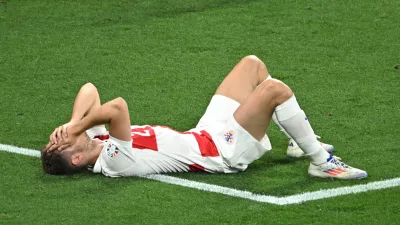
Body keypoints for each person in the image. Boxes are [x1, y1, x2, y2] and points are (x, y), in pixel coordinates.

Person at [41, 55, 367, 179]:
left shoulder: (94, 139)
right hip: (221, 153)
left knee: (252, 66)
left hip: (205, 133)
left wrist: (72, 124)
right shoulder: (112, 161)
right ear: (77, 159)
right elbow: (117, 107)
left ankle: (298, 141)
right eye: (65, 143)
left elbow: (89, 89)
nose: (67, 137)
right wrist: (78, 127)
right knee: (274, 91)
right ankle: (320, 161)